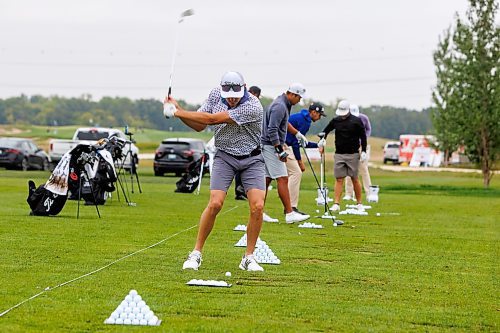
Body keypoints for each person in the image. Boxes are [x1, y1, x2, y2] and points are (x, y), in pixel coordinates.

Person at [164, 71, 266, 272]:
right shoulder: (214, 95)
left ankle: (249, 257)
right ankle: (196, 253)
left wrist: (176, 112)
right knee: (215, 203)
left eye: (235, 94)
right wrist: (179, 109)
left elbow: (211, 120)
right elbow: (199, 125)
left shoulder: (253, 105)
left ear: (244, 87)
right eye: (228, 96)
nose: (232, 99)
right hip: (225, 156)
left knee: (258, 206)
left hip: (252, 158)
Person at [261, 83, 310, 224]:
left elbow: (284, 123)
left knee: (267, 179)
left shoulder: (284, 104)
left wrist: (297, 133)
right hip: (271, 146)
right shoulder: (280, 106)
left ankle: (259, 211)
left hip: (269, 145)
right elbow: (272, 129)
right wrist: (279, 150)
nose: (300, 101)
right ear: (292, 94)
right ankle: (289, 213)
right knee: (283, 178)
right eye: (299, 97)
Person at [318, 100, 367, 212]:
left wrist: (363, 151)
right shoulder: (336, 121)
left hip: (353, 154)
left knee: (354, 178)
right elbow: (325, 131)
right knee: (339, 179)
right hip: (339, 154)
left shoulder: (356, 121)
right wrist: (322, 142)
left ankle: (359, 203)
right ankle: (336, 203)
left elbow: (363, 136)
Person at [284, 102, 326, 215]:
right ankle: (291, 208)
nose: (320, 117)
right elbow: (296, 143)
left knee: (278, 176)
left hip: (279, 144)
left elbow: (302, 142)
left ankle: (289, 206)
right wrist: (299, 161)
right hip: (282, 145)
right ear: (313, 112)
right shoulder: (305, 122)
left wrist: (317, 145)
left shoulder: (302, 117)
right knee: (296, 172)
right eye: (319, 114)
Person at [234, 86, 262, 200]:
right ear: (254, 93)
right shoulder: (244, 105)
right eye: (258, 95)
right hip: (241, 143)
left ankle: (243, 190)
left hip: (251, 142)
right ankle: (240, 191)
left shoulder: (254, 106)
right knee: (240, 168)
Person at [343, 104, 372, 200]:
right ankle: (349, 194)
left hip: (362, 147)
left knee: (364, 169)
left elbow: (368, 129)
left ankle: (369, 193)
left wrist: (364, 138)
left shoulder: (364, 118)